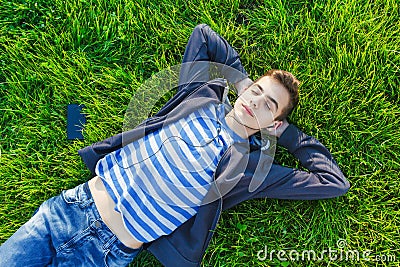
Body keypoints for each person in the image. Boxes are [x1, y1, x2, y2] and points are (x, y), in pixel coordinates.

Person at [0, 24, 350, 266]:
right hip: (68, 210)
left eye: (269, 104)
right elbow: (204, 37)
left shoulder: (250, 169)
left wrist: (285, 133)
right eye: (256, 91)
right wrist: (244, 83)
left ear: (272, 122)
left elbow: (333, 183)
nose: (256, 101)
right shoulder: (198, 95)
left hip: (107, 254)